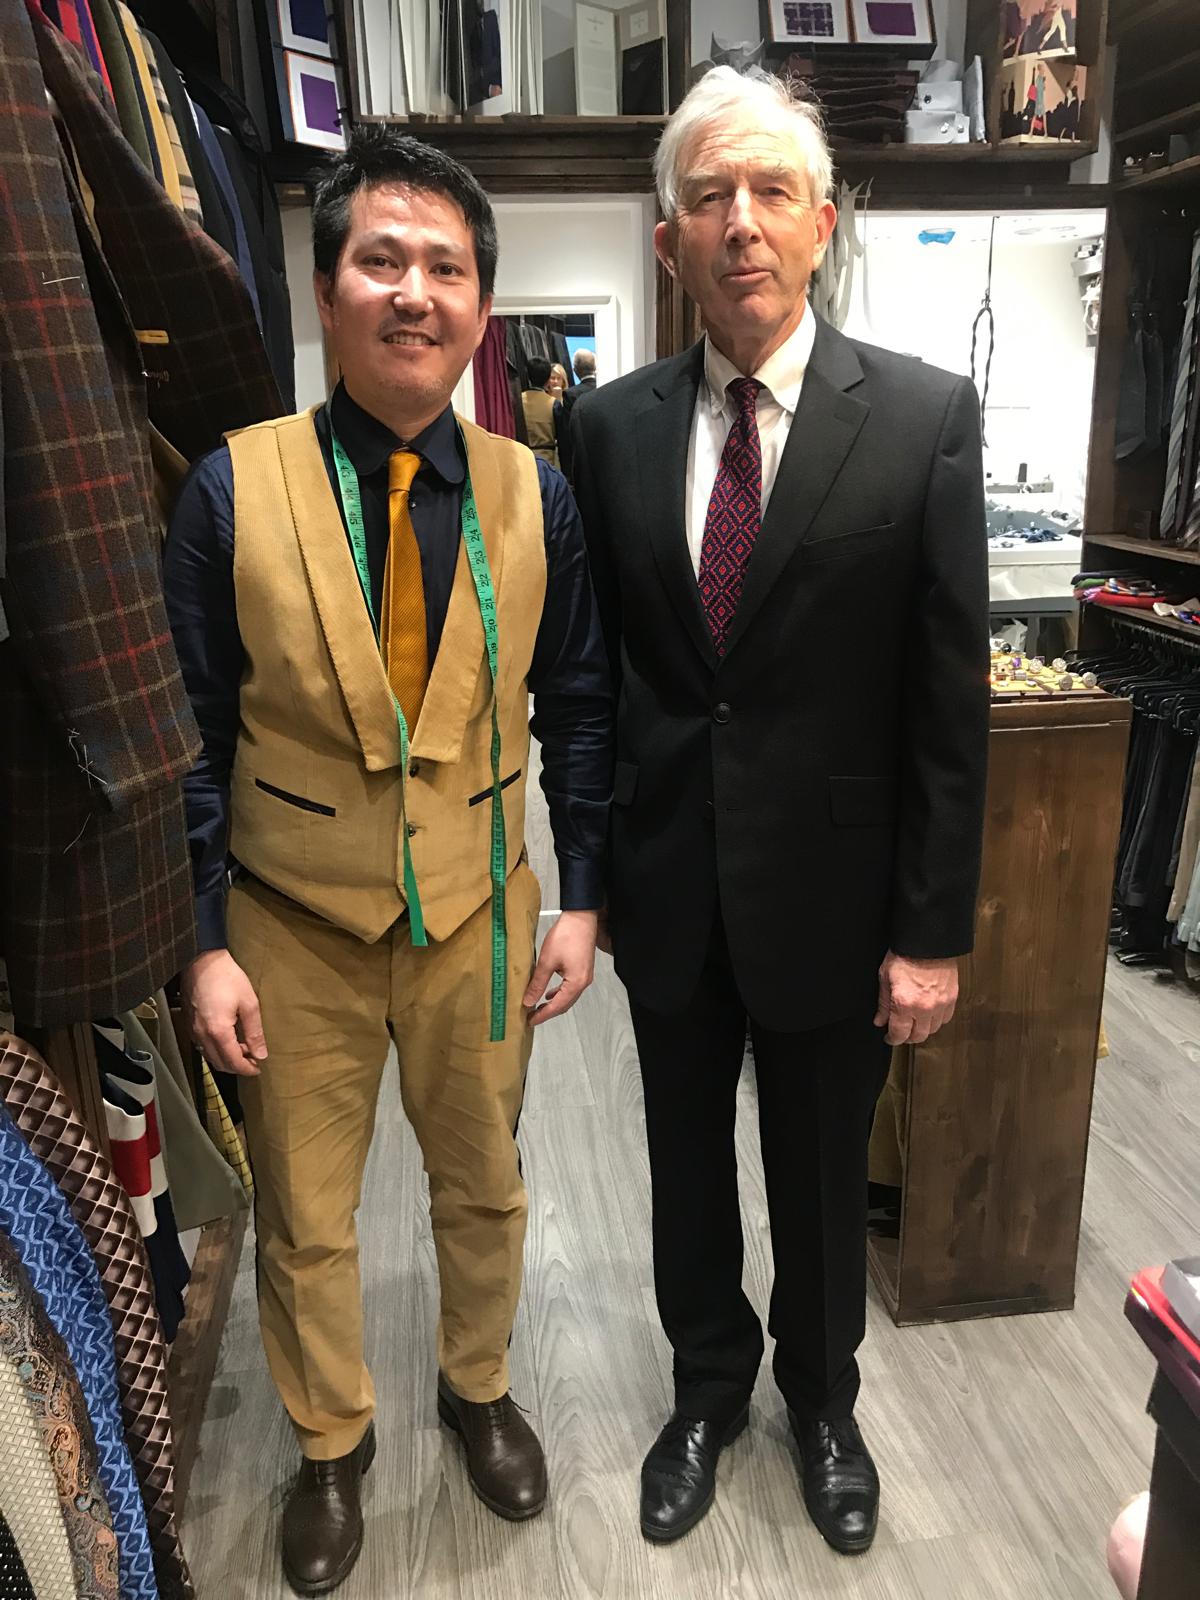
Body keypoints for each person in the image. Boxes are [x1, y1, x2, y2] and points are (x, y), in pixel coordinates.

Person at [163, 126, 613, 1596]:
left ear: (481, 306)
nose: (414, 292)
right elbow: (187, 734)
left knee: (485, 1181)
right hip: (289, 921)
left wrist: (583, 895)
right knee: (306, 1210)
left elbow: (581, 702)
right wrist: (202, 940)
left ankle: (478, 1389)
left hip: (482, 908)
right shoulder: (231, 490)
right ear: (325, 289)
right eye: (381, 261)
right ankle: (331, 1443)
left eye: (446, 268)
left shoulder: (537, 496)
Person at [571, 66, 989, 1556]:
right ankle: (706, 1392)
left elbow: (946, 702)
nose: (740, 222)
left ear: (823, 221)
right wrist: (586, 876)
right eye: (709, 197)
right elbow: (596, 676)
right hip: (668, 884)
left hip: (838, 893)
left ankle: (822, 1404)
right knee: (685, 1170)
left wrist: (930, 933)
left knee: (820, 1177)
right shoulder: (607, 430)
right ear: (670, 237)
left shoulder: (923, 417)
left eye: (770, 193)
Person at [557, 348, 598, 484]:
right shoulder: (605, 387)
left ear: (574, 370)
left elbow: (566, 433)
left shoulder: (570, 395)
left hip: (581, 456)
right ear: (595, 367)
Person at [521, 356, 559, 468]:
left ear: (528, 376)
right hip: (547, 461)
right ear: (548, 379)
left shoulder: (517, 401)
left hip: (523, 458)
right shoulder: (553, 404)